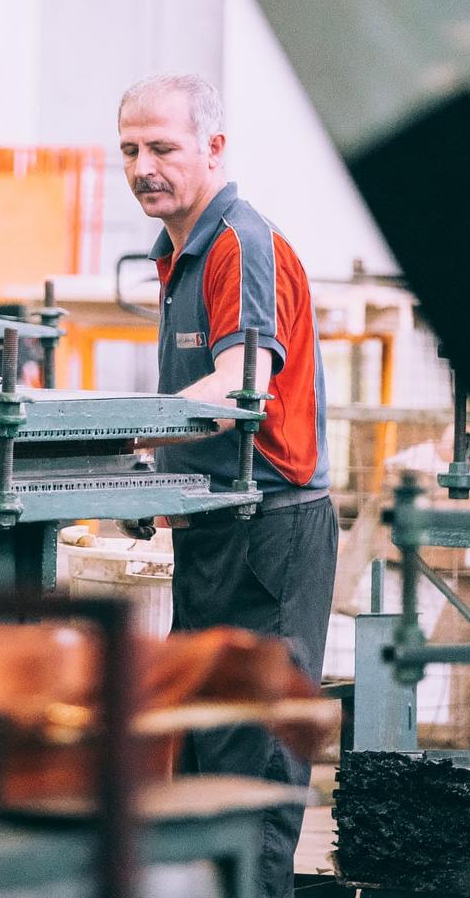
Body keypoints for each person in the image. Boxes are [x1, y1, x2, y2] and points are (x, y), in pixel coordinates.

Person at [117, 73, 338, 898]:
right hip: (215, 529)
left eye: (163, 148)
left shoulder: (241, 244)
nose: (144, 166)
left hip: (270, 533)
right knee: (205, 756)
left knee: (256, 770)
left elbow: (239, 388)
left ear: (213, 148)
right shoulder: (178, 252)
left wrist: (114, 435)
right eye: (131, 151)